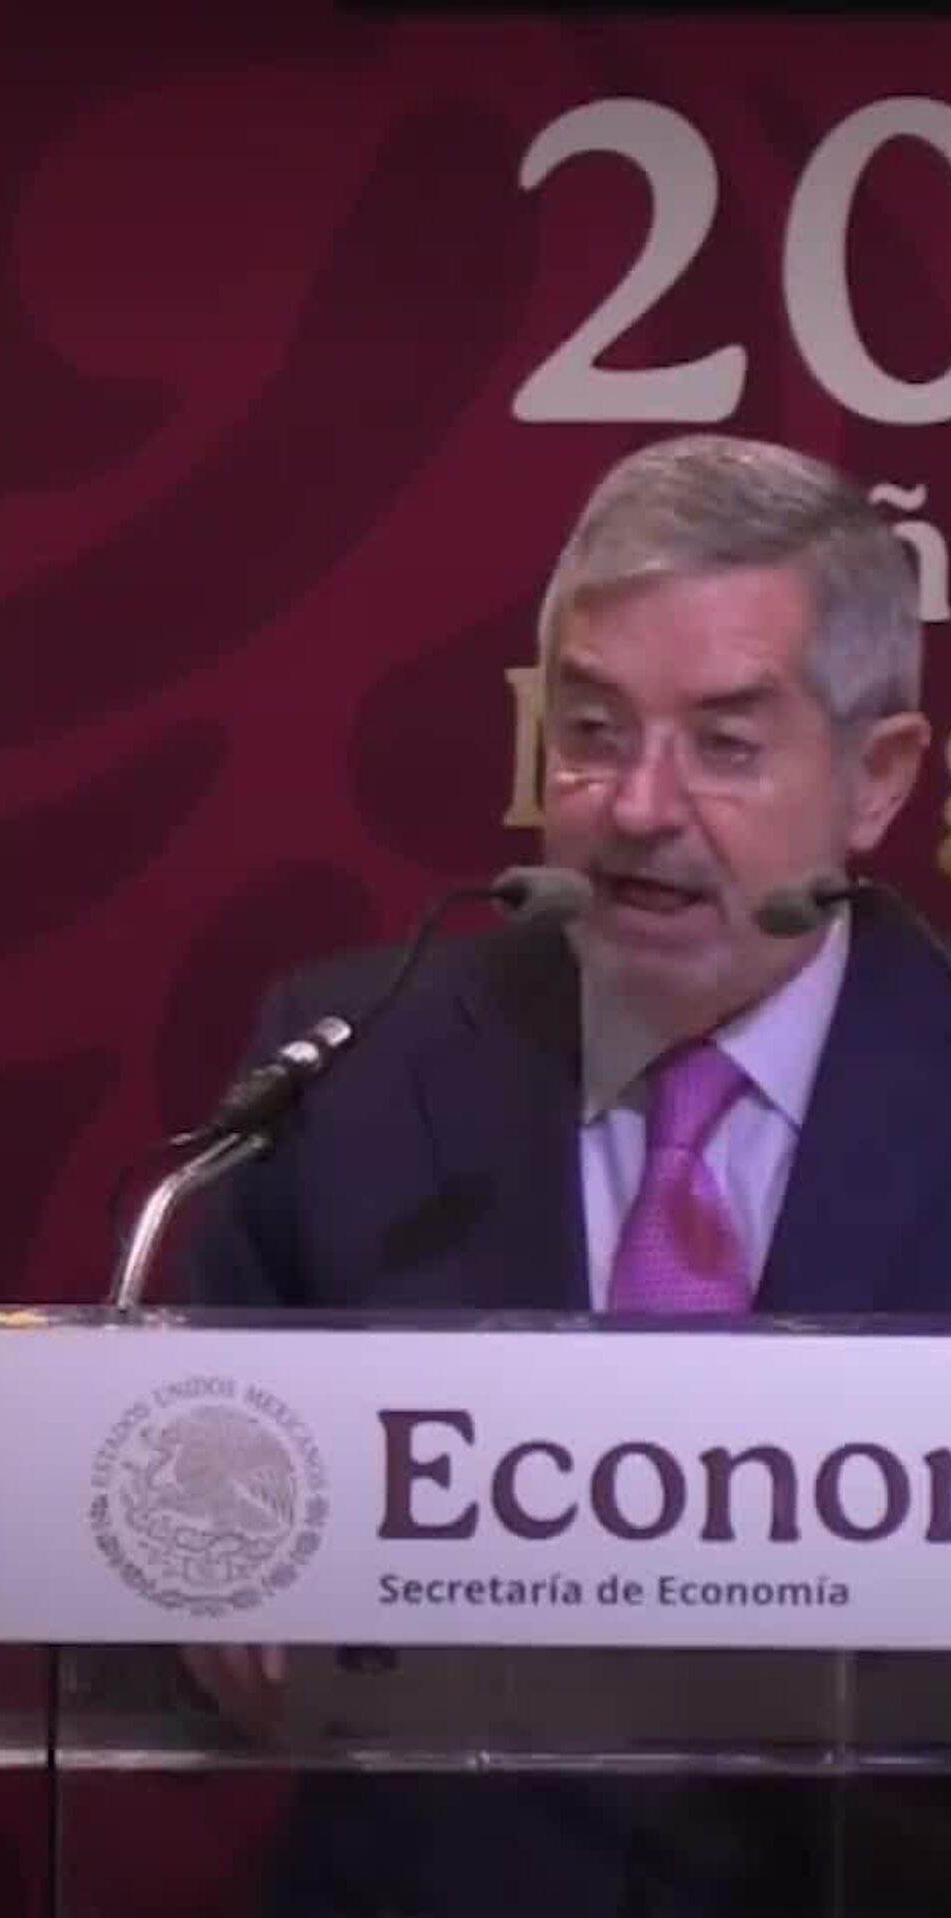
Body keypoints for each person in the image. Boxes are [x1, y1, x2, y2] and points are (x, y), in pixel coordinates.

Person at [180, 434, 951, 1915]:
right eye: (592, 731)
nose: (638, 806)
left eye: (726, 744)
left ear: (876, 780)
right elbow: (181, 1497)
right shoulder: (346, 1070)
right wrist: (223, 1571)